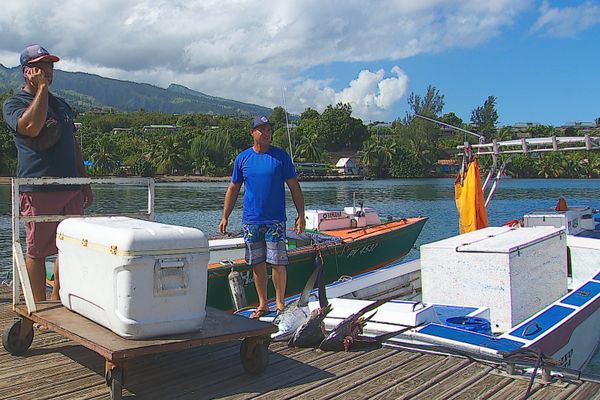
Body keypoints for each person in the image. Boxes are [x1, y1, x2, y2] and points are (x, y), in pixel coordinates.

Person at [2, 44, 92, 310]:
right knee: (37, 249)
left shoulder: (62, 105)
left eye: (50, 65)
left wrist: (84, 182)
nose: (47, 71)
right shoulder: (15, 103)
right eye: (41, 66)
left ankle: (58, 299)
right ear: (27, 71)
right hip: (38, 189)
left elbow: (73, 144)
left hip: (70, 187)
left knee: (70, 246)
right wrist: (40, 89)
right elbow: (30, 127)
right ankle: (39, 306)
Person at [219, 115, 305, 318]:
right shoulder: (243, 159)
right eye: (262, 129)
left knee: (277, 263)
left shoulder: (281, 157)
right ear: (253, 133)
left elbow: (294, 186)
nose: (267, 133)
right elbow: (233, 188)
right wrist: (225, 216)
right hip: (251, 221)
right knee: (257, 264)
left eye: (269, 130)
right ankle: (263, 304)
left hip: (275, 220)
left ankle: (280, 303)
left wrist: (301, 214)